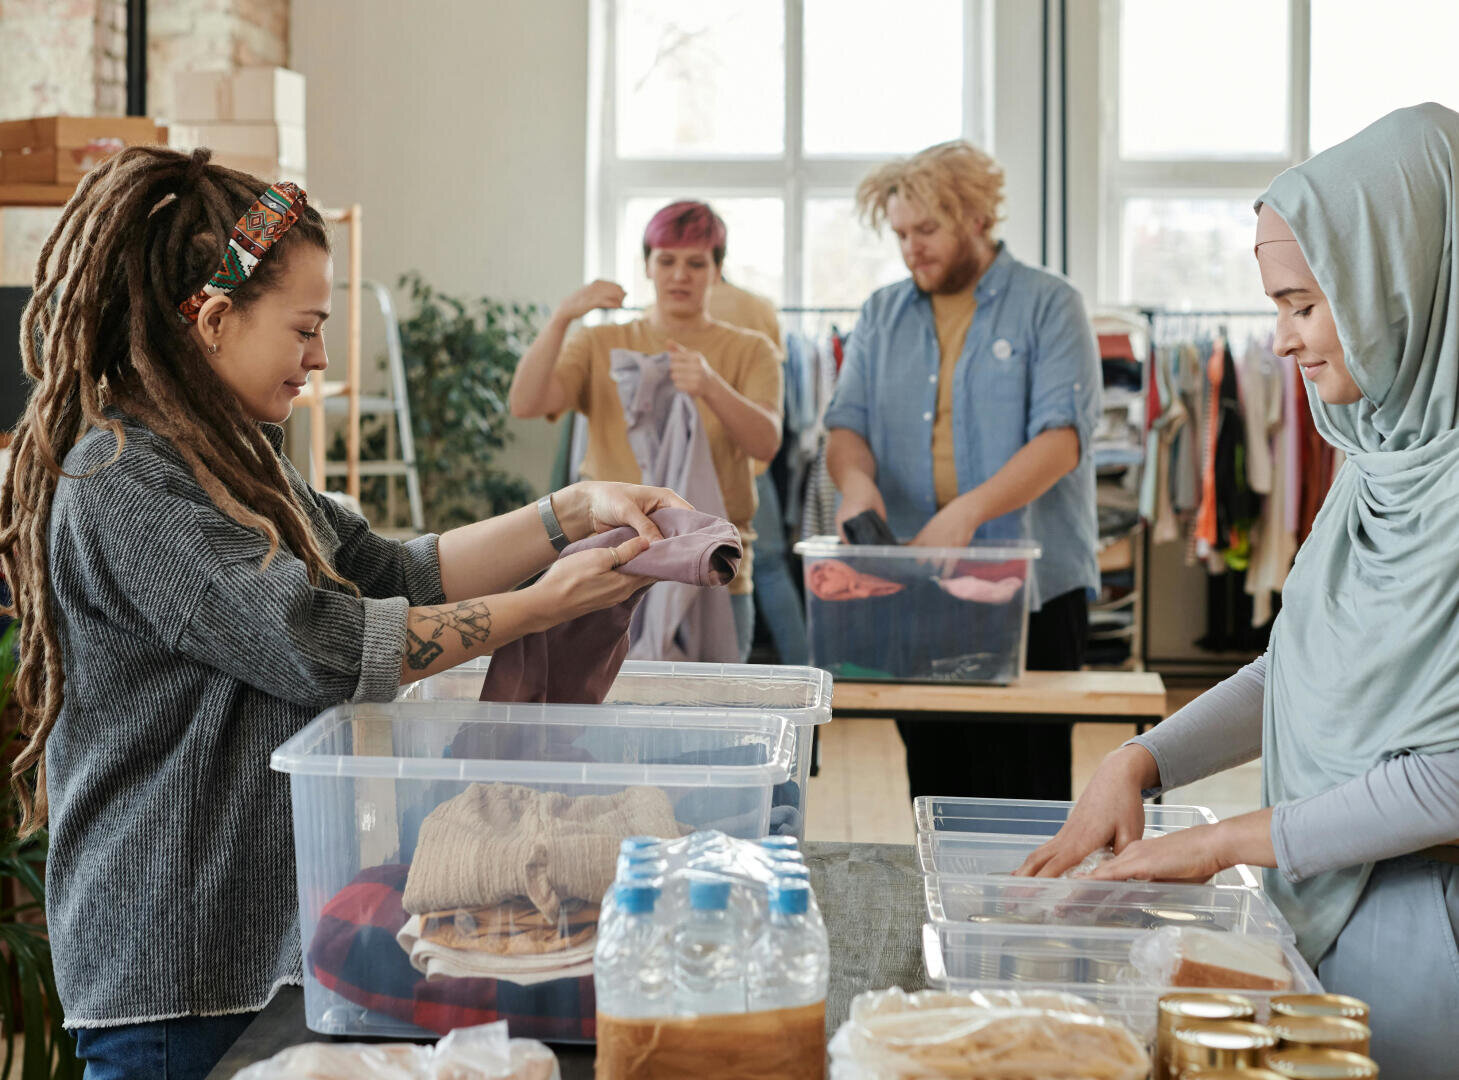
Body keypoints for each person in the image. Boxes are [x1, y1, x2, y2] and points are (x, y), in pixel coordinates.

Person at [0, 146, 686, 1080]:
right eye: (306, 328)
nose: (321, 357)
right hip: (172, 967)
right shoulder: (126, 481)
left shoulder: (234, 454)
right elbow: (321, 645)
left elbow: (388, 569)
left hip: (256, 945)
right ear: (214, 319)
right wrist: (539, 607)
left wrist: (571, 510)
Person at [1019, 103, 1459, 1078]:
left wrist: (1223, 843)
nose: (1281, 343)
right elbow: (1297, 669)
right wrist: (1140, 762)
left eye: (1302, 306)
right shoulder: (1379, 459)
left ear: (1401, 284)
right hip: (1326, 897)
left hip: (1431, 935)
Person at [823, 140, 1100, 801]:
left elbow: (1061, 441)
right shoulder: (881, 314)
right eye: (900, 234)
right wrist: (856, 486)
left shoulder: (1050, 304)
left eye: (926, 230)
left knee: (1027, 785)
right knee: (936, 780)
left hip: (1033, 592)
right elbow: (845, 426)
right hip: (919, 583)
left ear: (977, 218)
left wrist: (966, 514)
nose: (911, 249)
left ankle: (1027, 877)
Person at [509, 200, 783, 662]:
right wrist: (561, 319)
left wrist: (711, 386)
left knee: (711, 707)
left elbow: (766, 443)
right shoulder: (600, 343)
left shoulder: (752, 350)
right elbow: (526, 403)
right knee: (598, 704)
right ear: (648, 266)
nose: (680, 275)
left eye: (696, 263)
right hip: (608, 567)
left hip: (714, 569)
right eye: (667, 260)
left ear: (717, 271)